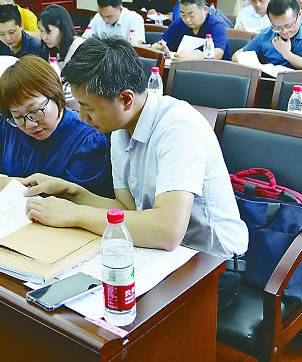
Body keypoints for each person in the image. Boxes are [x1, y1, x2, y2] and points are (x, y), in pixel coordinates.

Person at [18, 36, 248, 311]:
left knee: (108, 315)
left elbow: (167, 230)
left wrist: (76, 214)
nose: (82, 118)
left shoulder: (178, 129)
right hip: (163, 255)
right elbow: (127, 210)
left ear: (126, 99)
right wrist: (72, 192)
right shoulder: (121, 128)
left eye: (88, 108)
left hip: (212, 264)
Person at [0, 55, 112, 200]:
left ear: (56, 95)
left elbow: (74, 198)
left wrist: (14, 185)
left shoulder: (86, 139)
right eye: (18, 117)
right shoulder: (7, 123)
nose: (30, 125)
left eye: (35, 112)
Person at [234, 0, 302, 69]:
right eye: (277, 27)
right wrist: (257, 66)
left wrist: (287, 54)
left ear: (299, 14)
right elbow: (236, 56)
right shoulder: (267, 34)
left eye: (288, 25)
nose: (284, 31)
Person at [152, 0, 231, 60]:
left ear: (205, 10)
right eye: (183, 14)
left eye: (191, 15)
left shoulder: (216, 26)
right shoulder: (178, 24)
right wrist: (157, 47)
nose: (187, 20)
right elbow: (162, 42)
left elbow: (217, 54)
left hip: (217, 69)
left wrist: (190, 57)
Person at [0, 4, 46, 72]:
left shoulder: (36, 46)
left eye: (11, 32)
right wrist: (5, 70)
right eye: (1, 34)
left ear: (21, 26)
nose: (8, 38)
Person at [38, 4, 84, 70]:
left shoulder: (79, 48)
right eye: (41, 31)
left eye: (48, 32)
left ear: (63, 28)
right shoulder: (52, 48)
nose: (43, 37)